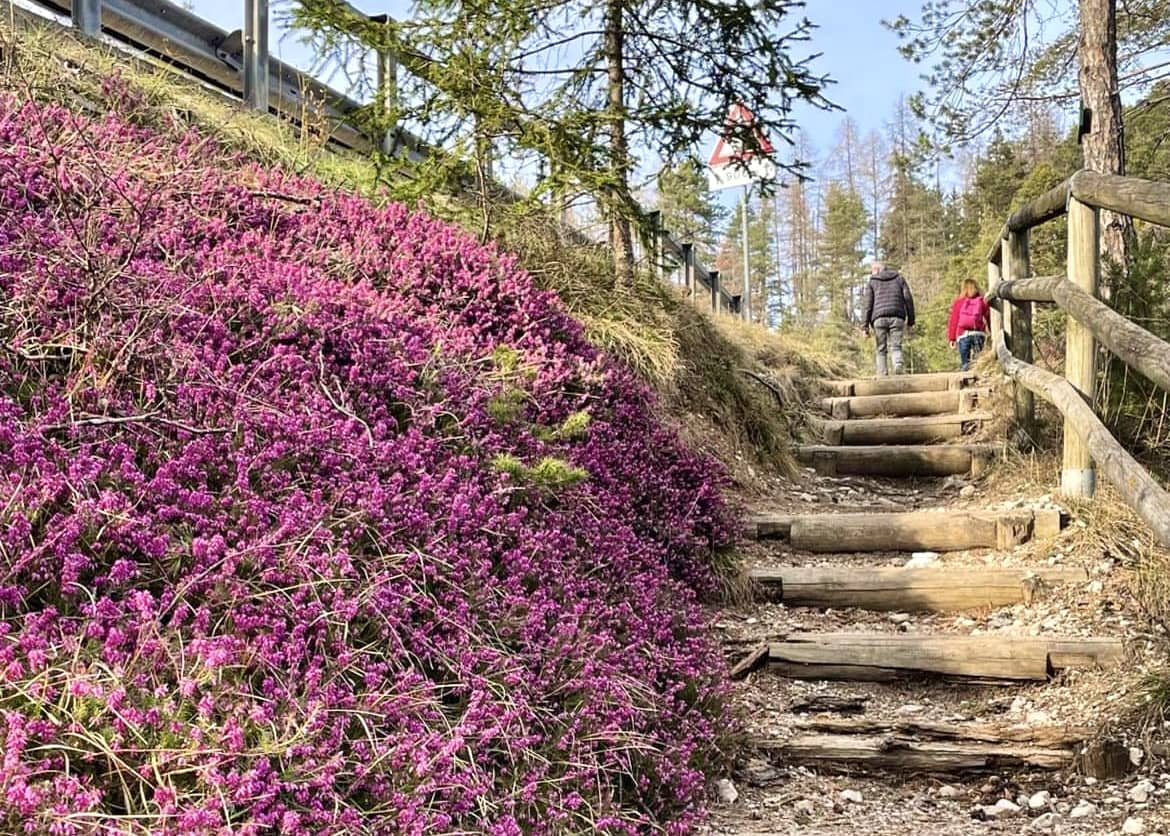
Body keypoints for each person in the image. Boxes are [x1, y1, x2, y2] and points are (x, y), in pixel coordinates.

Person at [861, 261, 915, 376]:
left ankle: (882, 373)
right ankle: (898, 365)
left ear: (877, 270)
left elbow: (867, 305)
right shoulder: (899, 279)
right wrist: (911, 321)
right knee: (896, 346)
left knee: (881, 348)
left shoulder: (872, 282)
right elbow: (908, 299)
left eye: (872, 270)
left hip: (879, 318)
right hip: (897, 316)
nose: (872, 273)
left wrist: (865, 327)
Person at [946, 279, 991, 371]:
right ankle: (976, 381)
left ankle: (965, 381)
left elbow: (954, 321)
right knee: (978, 362)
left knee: (965, 362)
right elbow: (988, 316)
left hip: (963, 335)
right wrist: (991, 330)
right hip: (978, 334)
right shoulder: (982, 301)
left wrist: (952, 338)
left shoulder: (959, 302)